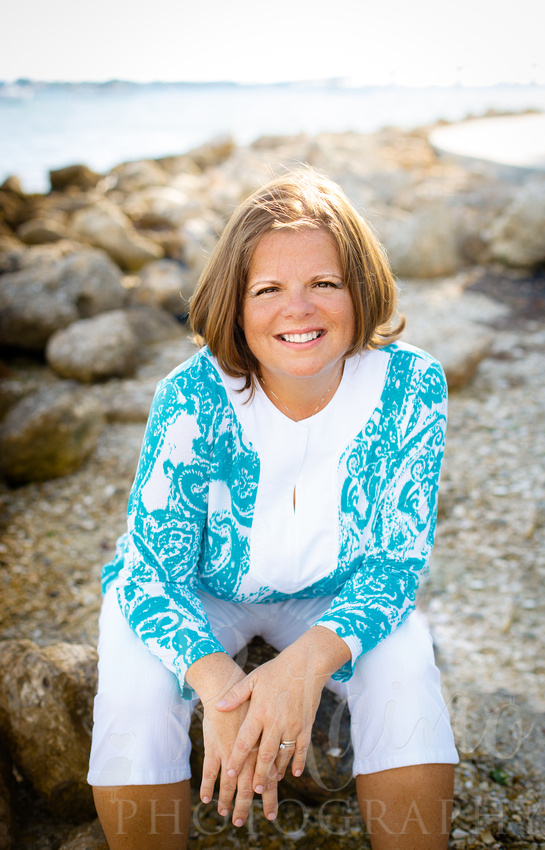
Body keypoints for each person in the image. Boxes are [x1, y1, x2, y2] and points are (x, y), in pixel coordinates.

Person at [88, 168, 459, 848]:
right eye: (268, 290)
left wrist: (307, 663)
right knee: (136, 693)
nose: (299, 309)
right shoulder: (192, 396)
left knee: (405, 665)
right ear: (235, 305)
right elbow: (149, 575)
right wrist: (220, 684)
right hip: (200, 594)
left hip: (335, 594)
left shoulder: (411, 386)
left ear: (359, 289)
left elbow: (393, 565)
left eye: (324, 283)